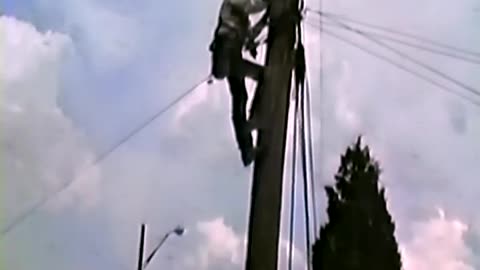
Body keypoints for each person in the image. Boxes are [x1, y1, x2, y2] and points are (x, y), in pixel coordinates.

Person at [209, 0, 270, 167]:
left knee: (240, 97)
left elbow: (251, 36)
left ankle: (247, 149)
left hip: (230, 57)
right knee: (263, 76)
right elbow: (250, 6)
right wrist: (269, 4)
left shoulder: (243, 20)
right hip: (226, 53)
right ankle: (253, 121)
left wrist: (265, 19)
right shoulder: (231, 3)